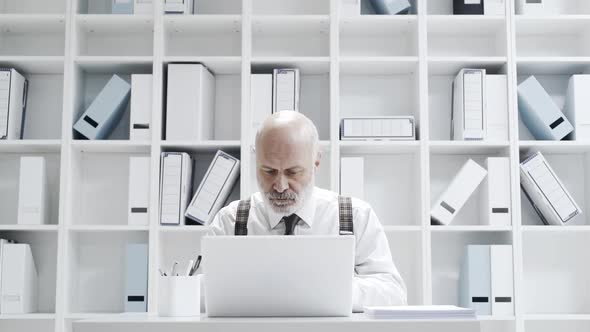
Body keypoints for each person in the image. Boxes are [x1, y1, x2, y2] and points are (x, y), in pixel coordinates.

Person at [209, 110, 407, 312]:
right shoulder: (230, 221)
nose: (280, 186)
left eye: (293, 172)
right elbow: (200, 292)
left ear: (316, 164)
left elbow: (393, 293)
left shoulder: (356, 216)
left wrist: (327, 290)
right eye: (268, 171)